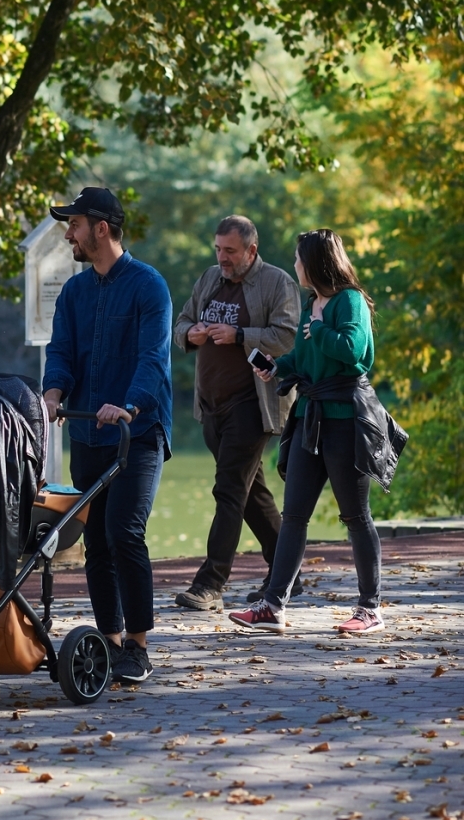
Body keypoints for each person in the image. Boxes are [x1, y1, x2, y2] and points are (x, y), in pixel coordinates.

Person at [228, 228, 406, 636]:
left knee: (356, 516)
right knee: (293, 516)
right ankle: (273, 606)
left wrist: (321, 328)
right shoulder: (314, 303)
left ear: (315, 262)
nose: (294, 266)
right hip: (311, 418)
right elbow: (304, 357)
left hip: (347, 420)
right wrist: (278, 367)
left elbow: (354, 350)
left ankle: (370, 608)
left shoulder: (350, 301)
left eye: (297, 259)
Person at [42, 187, 172, 686]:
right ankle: (111, 642)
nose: (67, 233)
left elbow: (153, 360)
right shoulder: (74, 292)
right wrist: (53, 393)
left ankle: (138, 646)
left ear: (100, 227)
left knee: (124, 532)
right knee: (95, 542)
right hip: (88, 436)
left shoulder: (148, 286)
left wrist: (130, 404)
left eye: (72, 224)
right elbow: (62, 351)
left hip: (137, 432)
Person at [173, 216, 301, 611]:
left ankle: (210, 583)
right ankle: (287, 574)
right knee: (251, 495)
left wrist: (240, 334)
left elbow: (287, 337)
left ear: (251, 250)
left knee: (228, 489)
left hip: (252, 403)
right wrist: (191, 334)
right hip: (211, 406)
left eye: (229, 251)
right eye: (217, 249)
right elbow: (181, 323)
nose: (222, 258)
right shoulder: (210, 278)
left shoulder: (277, 283)